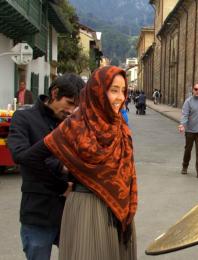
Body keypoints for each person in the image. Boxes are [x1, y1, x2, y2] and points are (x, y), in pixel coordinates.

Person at [17, 66, 137, 259]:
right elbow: (29, 158)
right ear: (97, 91)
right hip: (86, 210)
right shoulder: (76, 125)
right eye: (114, 90)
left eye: (123, 91)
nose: (120, 97)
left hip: (116, 213)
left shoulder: (120, 128)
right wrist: (60, 185)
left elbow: (128, 174)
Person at [8, 73, 85, 260]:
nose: (71, 110)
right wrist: (61, 165)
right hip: (37, 213)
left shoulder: (75, 123)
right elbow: (21, 156)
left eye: (77, 106)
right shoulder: (23, 118)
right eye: (69, 103)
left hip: (71, 212)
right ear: (54, 92)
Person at [178, 83, 198, 179]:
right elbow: (185, 114)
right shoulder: (188, 102)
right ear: (193, 90)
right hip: (190, 131)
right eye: (196, 89)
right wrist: (182, 125)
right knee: (188, 149)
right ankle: (185, 166)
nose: (197, 91)